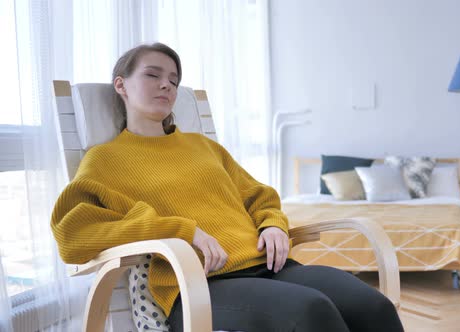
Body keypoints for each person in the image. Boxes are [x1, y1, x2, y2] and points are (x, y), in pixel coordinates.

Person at [51, 42, 404, 332]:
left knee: (373, 307)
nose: (166, 85)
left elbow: (259, 196)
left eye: (174, 80)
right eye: (153, 75)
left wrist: (272, 224)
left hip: (270, 266)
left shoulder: (205, 148)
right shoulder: (105, 160)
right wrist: (181, 230)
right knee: (311, 313)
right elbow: (72, 237)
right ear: (121, 85)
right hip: (198, 287)